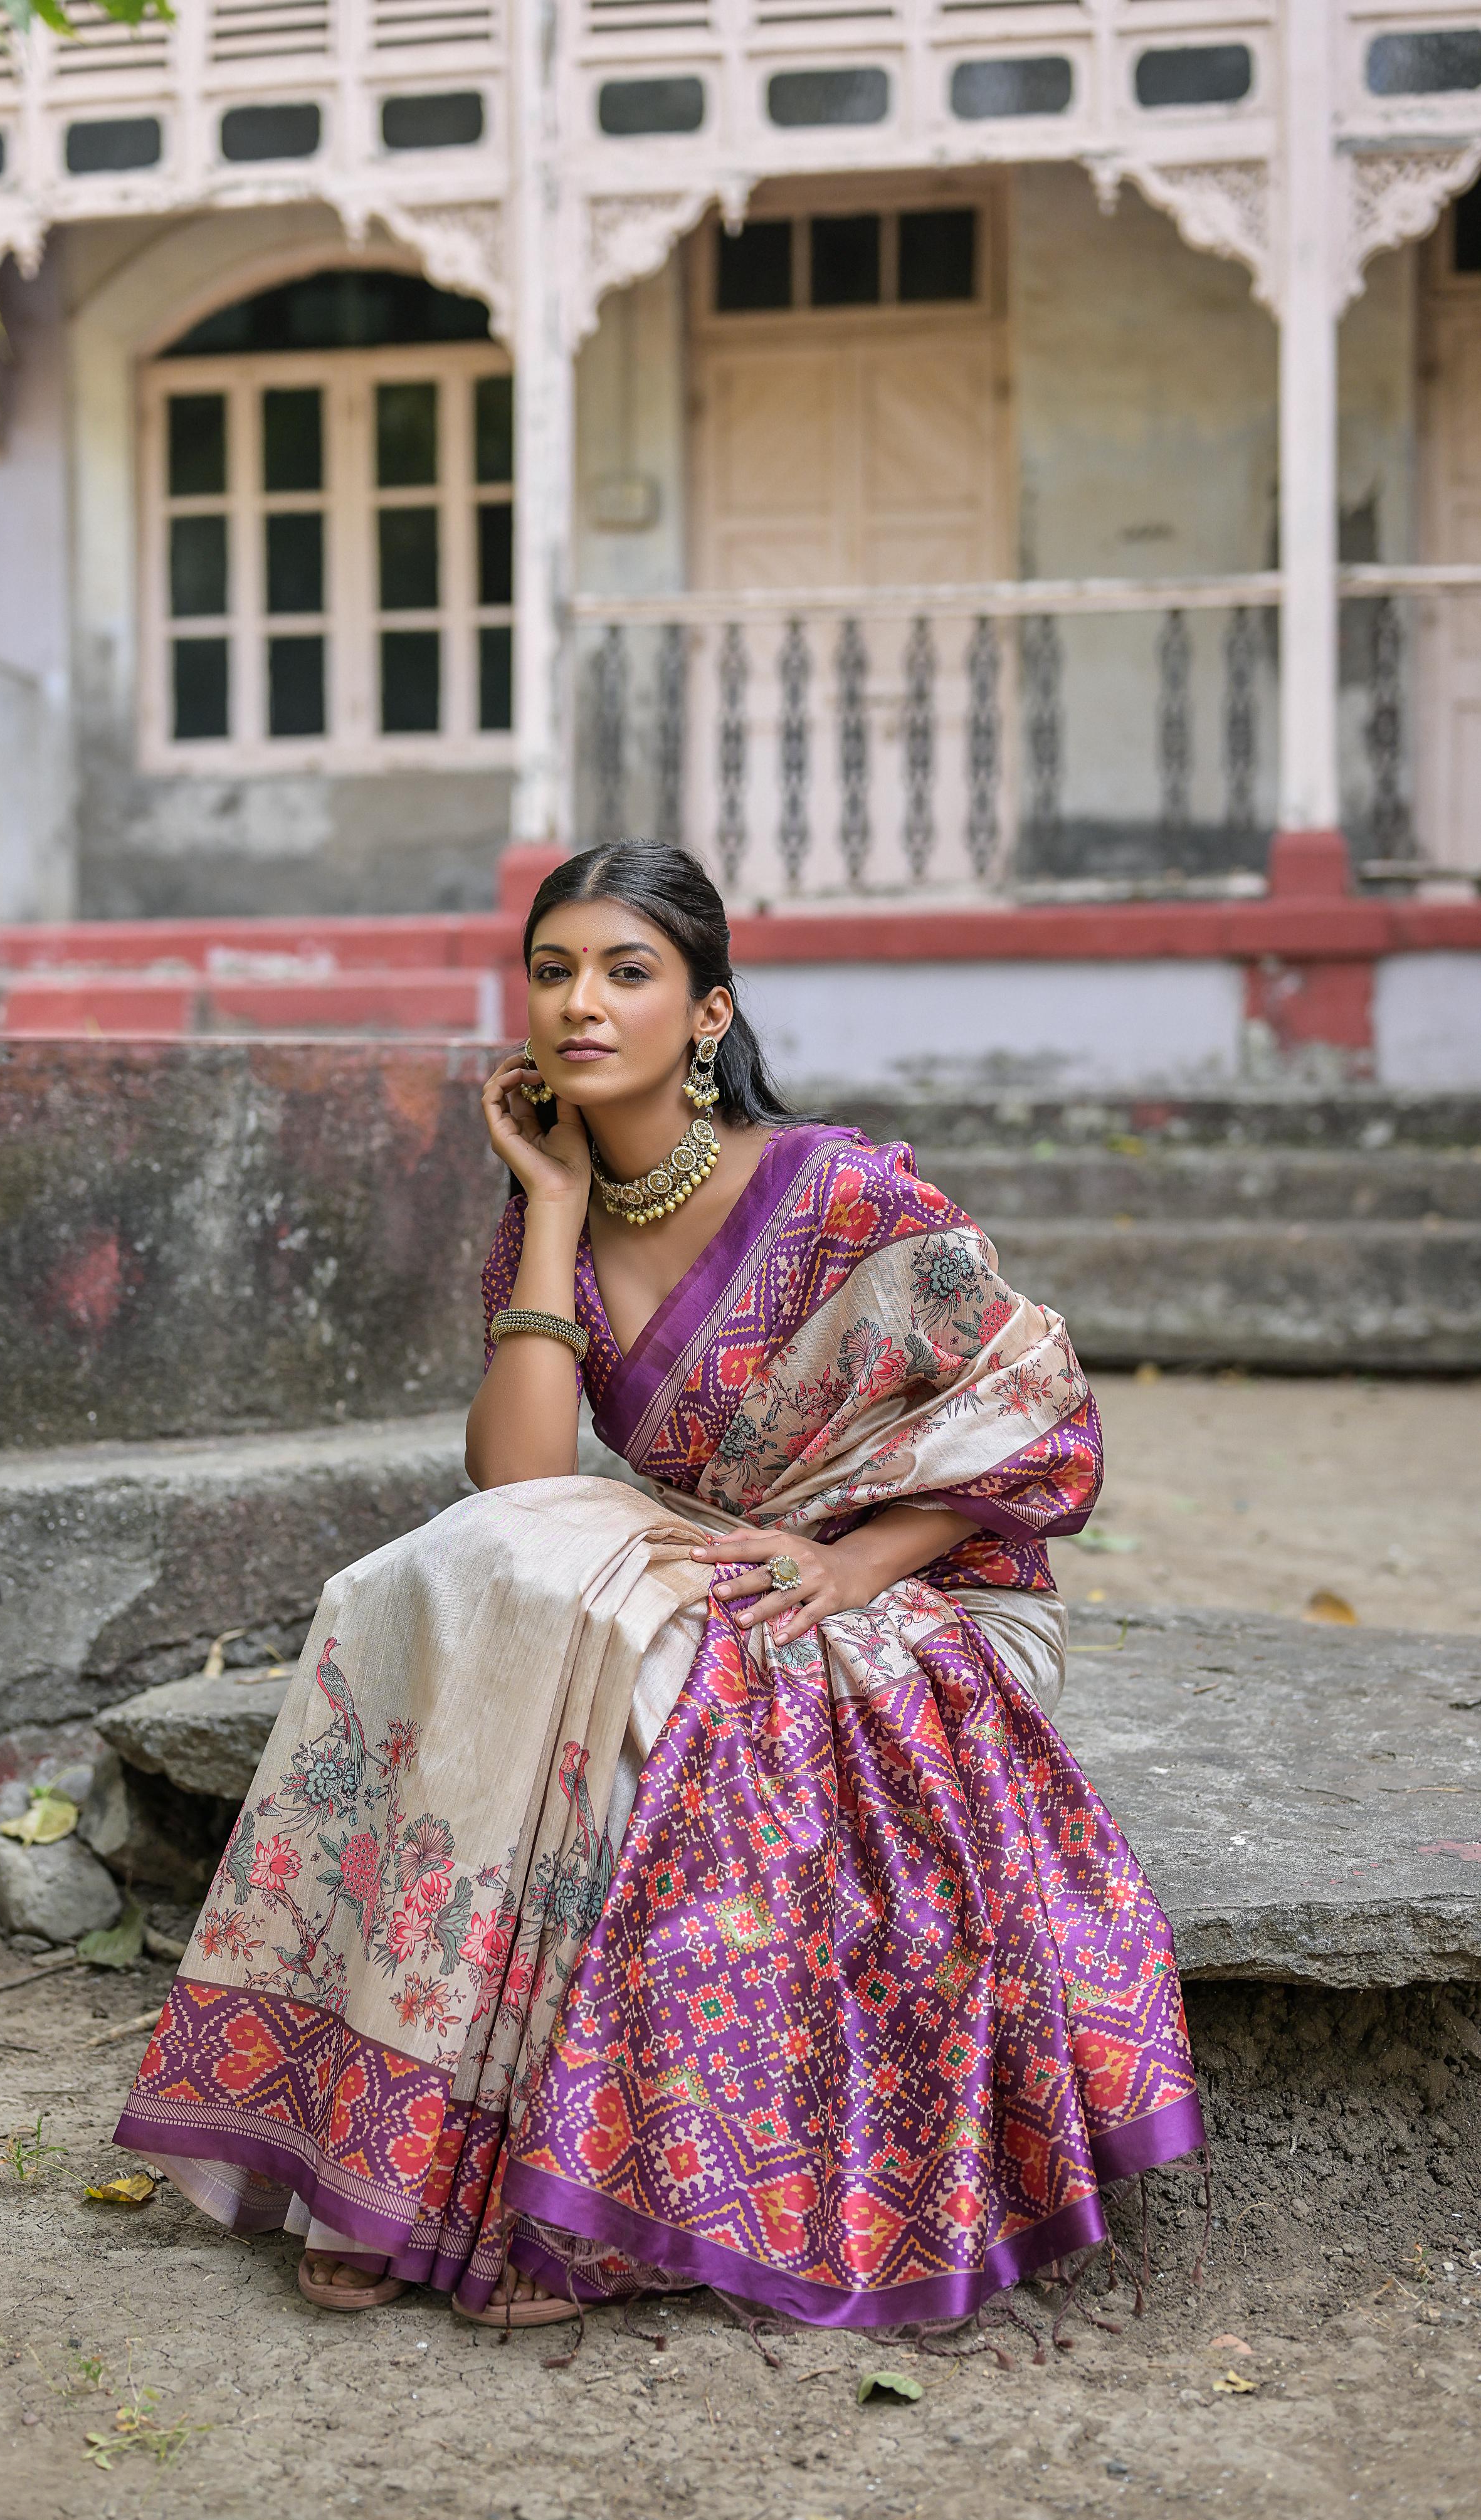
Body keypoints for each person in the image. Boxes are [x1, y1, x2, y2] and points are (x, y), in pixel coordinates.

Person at [116, 840, 1204, 2333]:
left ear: (708, 1013)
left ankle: (552, 2204)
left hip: (914, 1592)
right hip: (695, 1567)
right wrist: (553, 1207)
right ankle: (392, 2150)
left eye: (627, 972)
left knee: (594, 1666)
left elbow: (1034, 1408)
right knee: (436, 1582)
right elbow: (516, 1480)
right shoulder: (547, 1210)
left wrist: (840, 1555)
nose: (581, 1001)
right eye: (553, 969)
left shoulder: (835, 1188)